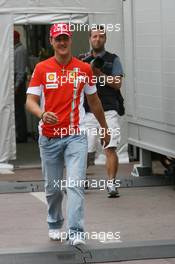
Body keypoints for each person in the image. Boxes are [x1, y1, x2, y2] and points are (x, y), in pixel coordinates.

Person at [26, 23, 110, 245]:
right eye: (58, 39)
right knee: (53, 189)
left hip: (75, 136)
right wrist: (42, 114)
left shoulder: (84, 69)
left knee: (74, 184)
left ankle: (76, 231)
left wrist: (104, 127)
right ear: (51, 41)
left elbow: (94, 101)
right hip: (49, 137)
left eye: (65, 38)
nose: (62, 43)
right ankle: (54, 223)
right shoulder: (42, 68)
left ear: (70, 40)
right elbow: (30, 102)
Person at [80, 25, 124, 198]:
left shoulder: (114, 59)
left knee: (110, 147)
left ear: (105, 39)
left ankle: (111, 184)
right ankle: (80, 178)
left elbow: (117, 83)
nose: (97, 39)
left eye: (101, 36)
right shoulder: (82, 59)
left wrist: (99, 74)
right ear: (90, 39)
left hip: (108, 109)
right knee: (86, 150)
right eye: (94, 36)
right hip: (88, 112)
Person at [14, 30, 28, 143]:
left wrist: (16, 85)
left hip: (18, 81)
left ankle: (22, 135)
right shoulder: (18, 49)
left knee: (18, 110)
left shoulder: (19, 51)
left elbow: (20, 70)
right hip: (18, 81)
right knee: (17, 109)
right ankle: (20, 133)